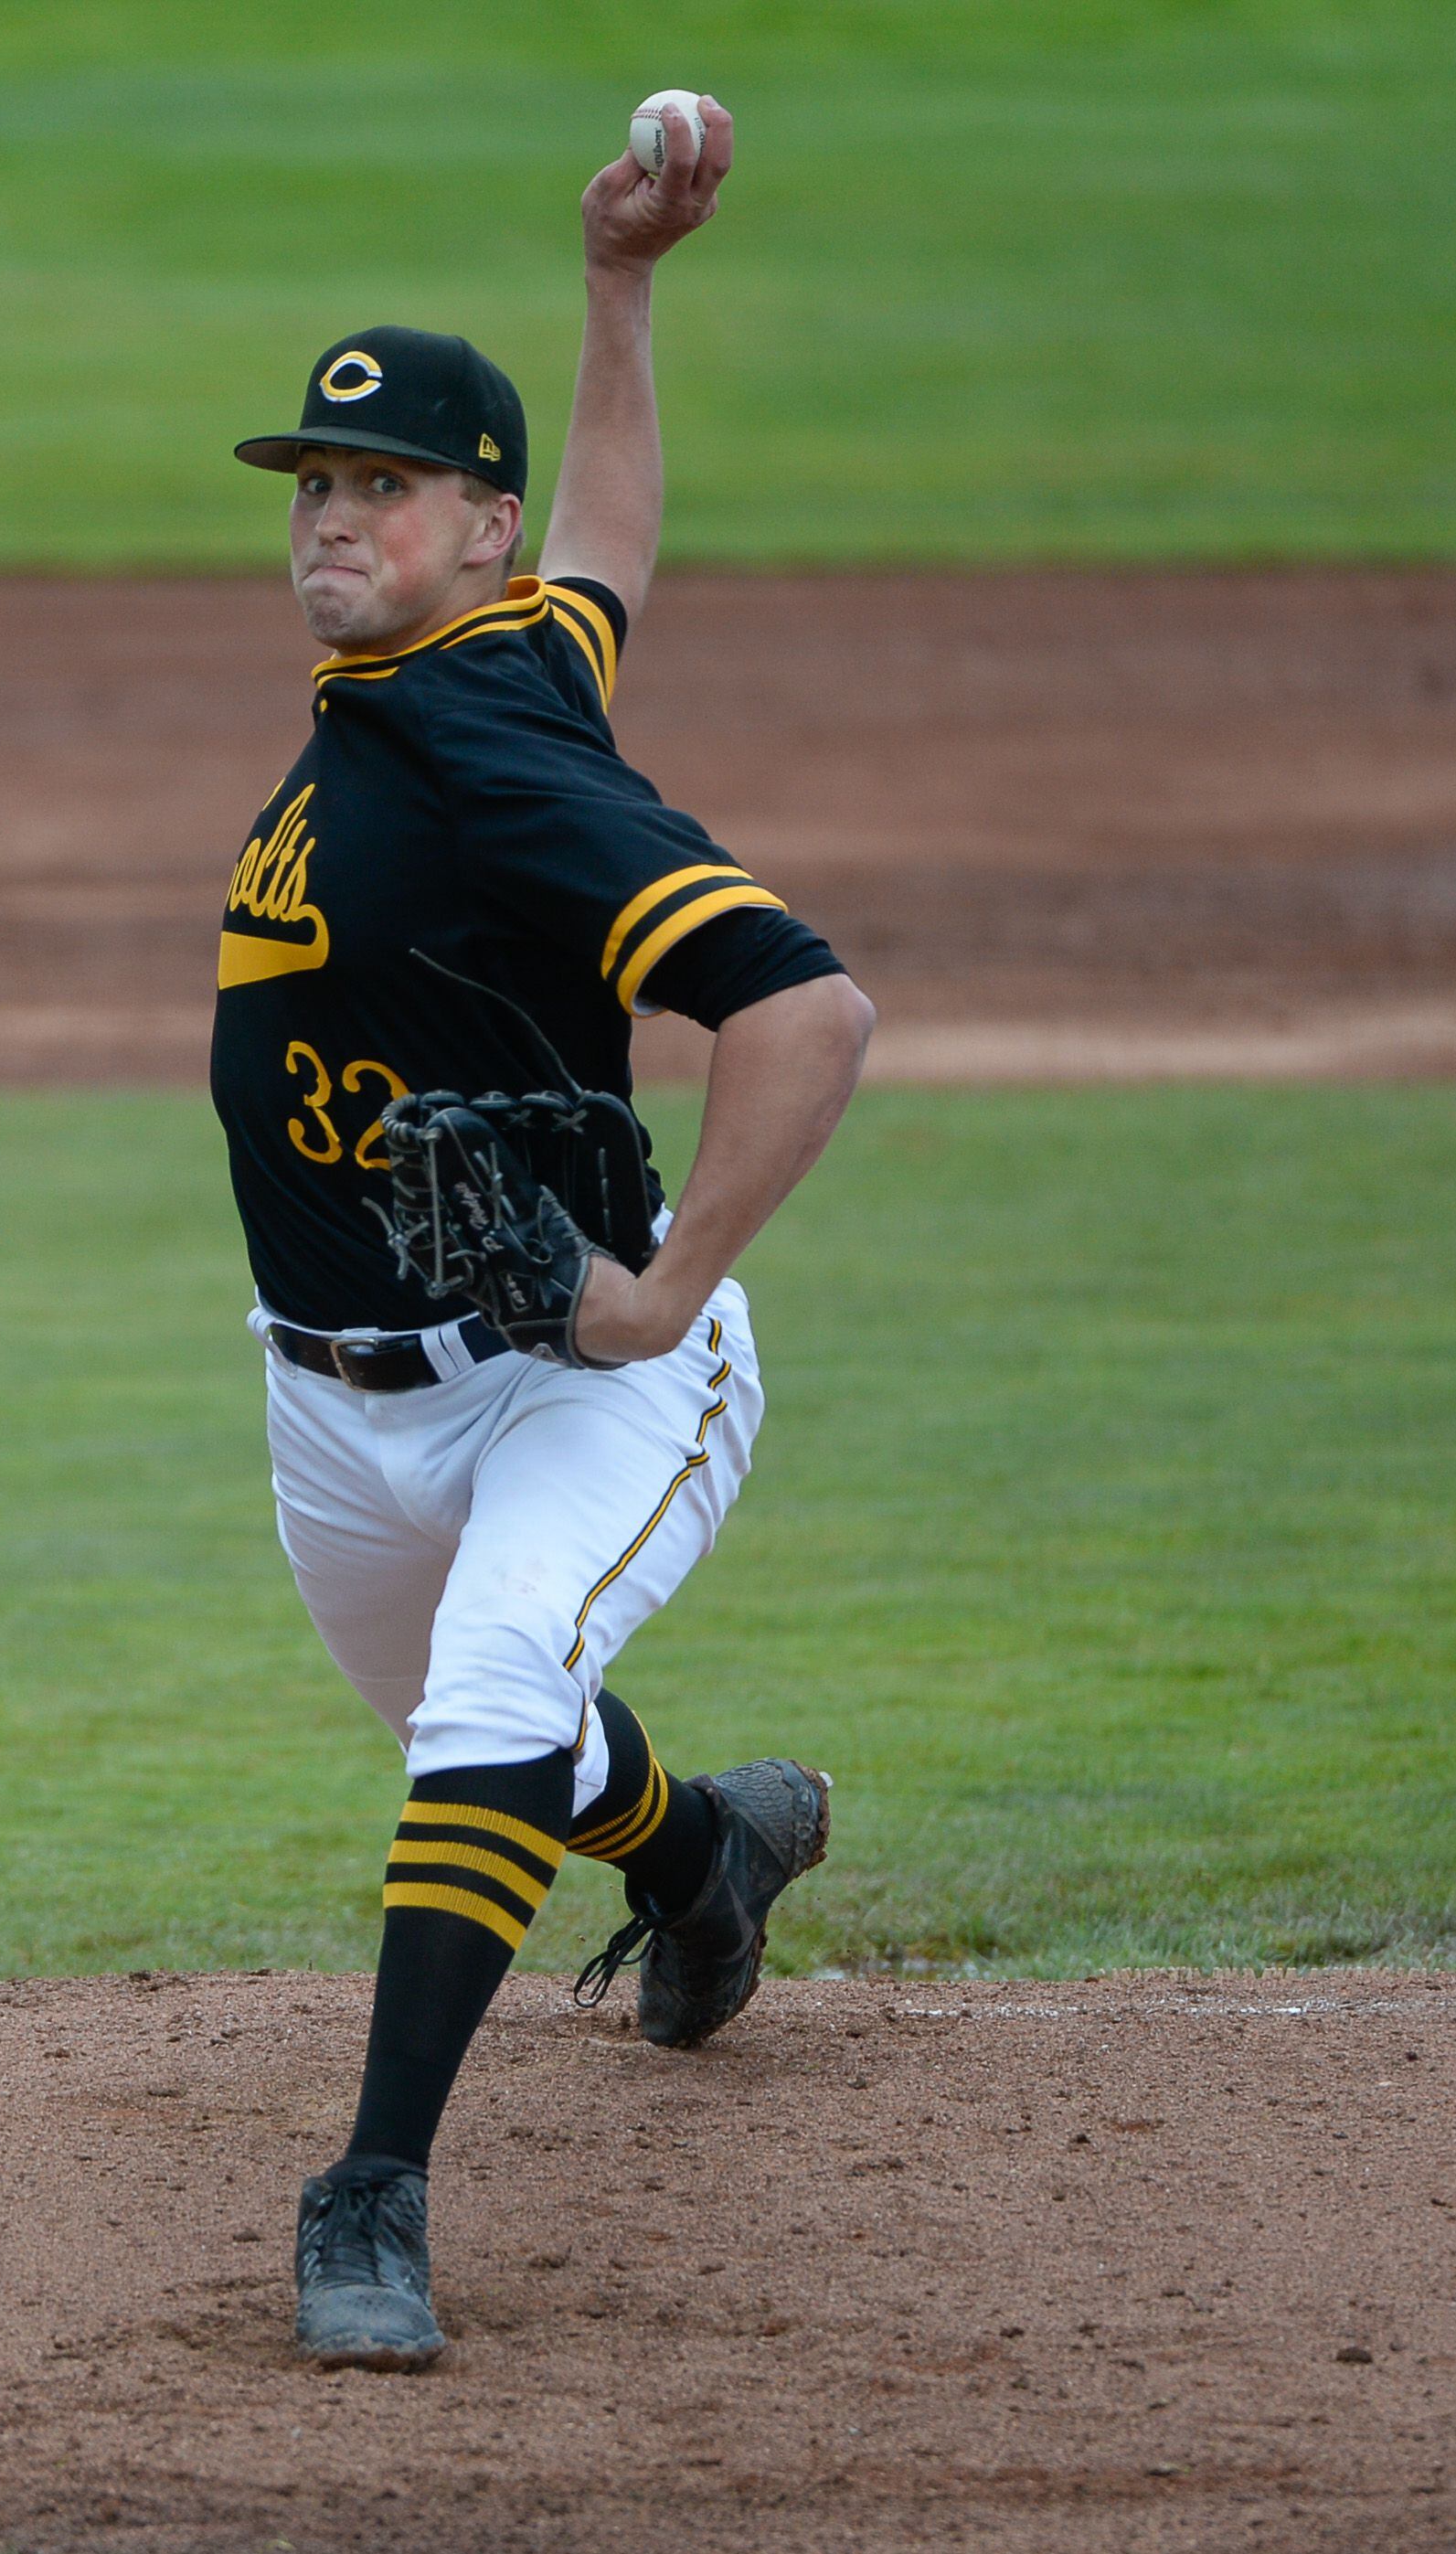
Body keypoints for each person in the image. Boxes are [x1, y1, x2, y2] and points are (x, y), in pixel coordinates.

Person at [214, 100, 875, 2369]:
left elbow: (803, 1006)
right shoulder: (494, 665)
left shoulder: (489, 747)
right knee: (490, 1745)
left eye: (380, 488)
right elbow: (606, 547)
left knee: (487, 1710)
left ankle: (370, 2192)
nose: (332, 516)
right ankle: (702, 1854)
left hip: (570, 1374)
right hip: (329, 1399)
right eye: (315, 483)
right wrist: (616, 286)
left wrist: (664, 1289)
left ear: (459, 530)